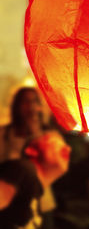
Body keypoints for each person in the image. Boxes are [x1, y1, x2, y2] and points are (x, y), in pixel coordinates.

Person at [0, 87, 71, 228]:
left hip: (42, 202)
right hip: (11, 201)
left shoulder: (50, 136)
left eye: (34, 101)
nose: (30, 106)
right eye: (26, 101)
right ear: (17, 105)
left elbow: (58, 166)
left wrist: (36, 133)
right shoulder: (5, 133)